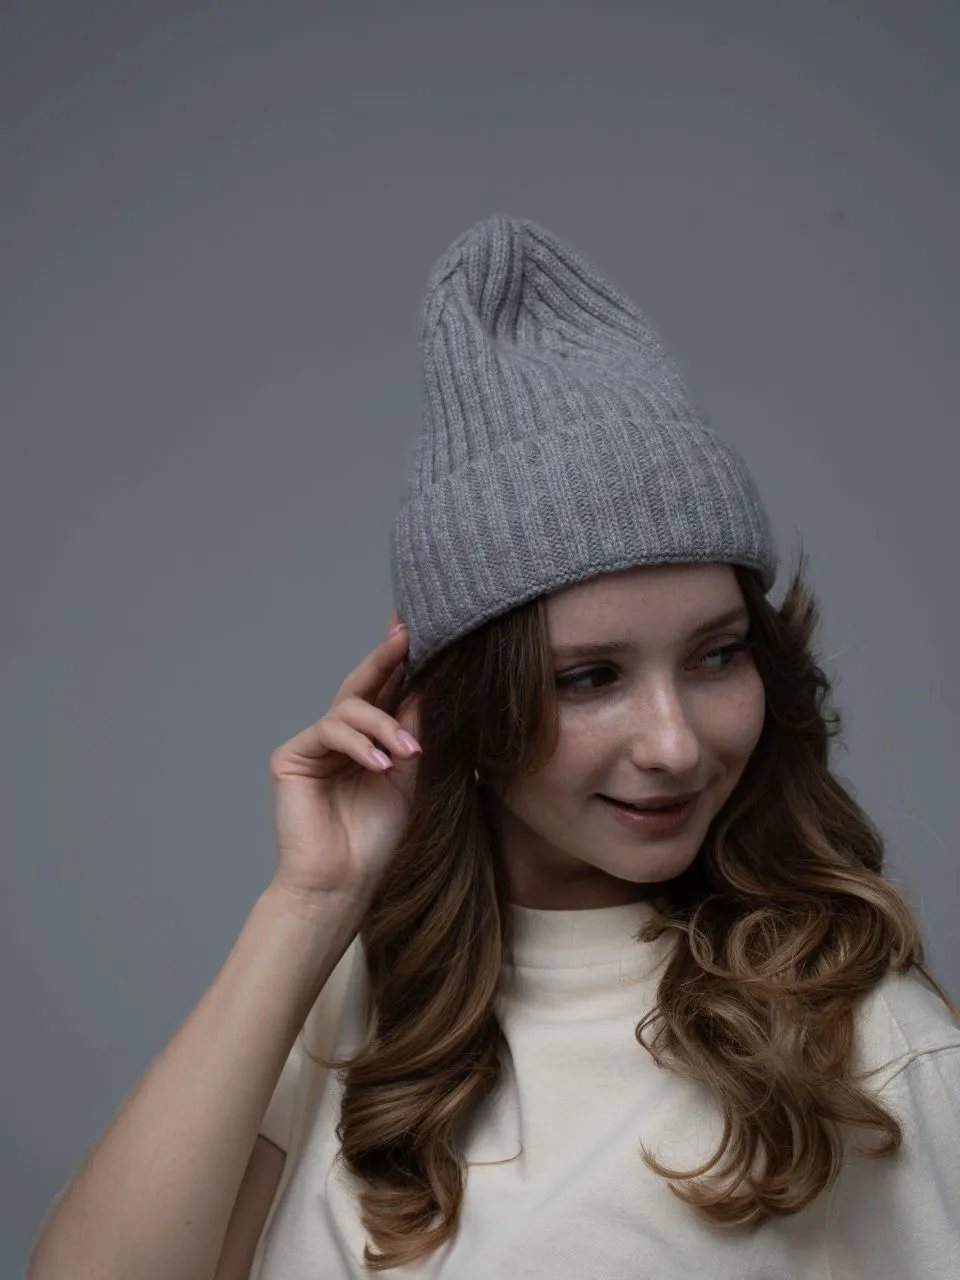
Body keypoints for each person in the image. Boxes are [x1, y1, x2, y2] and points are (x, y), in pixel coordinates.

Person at [29, 216, 960, 1280]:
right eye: (588, 677)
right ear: (460, 706)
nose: (674, 743)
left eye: (717, 655)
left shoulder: (864, 1043)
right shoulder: (354, 1002)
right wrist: (311, 902)